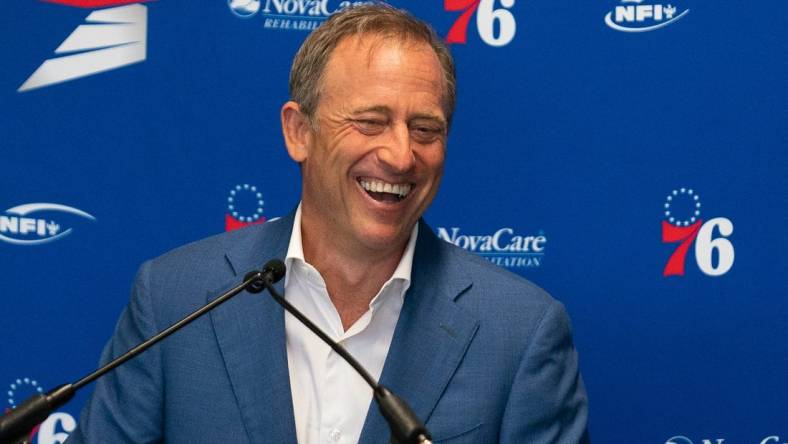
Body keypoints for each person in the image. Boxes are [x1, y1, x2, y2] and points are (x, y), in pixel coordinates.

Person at [66, 4, 588, 443]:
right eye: (370, 122)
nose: (402, 155)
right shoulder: (175, 299)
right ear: (299, 132)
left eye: (426, 128)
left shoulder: (520, 332)